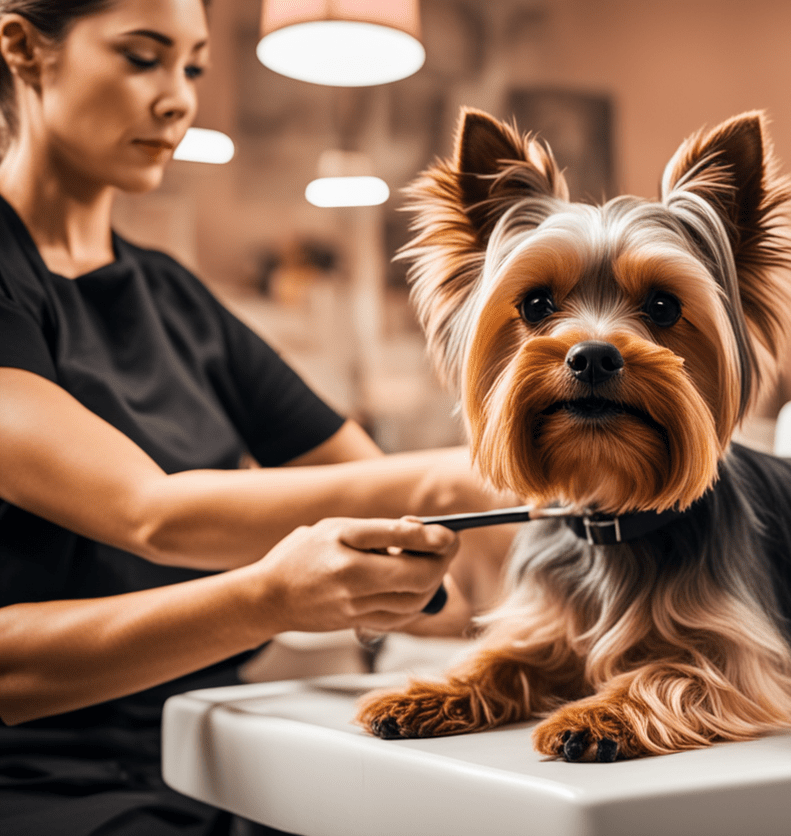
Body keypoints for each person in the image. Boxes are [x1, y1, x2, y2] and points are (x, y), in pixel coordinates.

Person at [0, 0, 515, 832]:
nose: (179, 98)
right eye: (142, 57)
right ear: (25, 49)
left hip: (208, 757)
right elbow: (152, 515)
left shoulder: (175, 298)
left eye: (194, 67)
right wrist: (457, 471)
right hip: (42, 783)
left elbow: (381, 513)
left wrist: (439, 583)